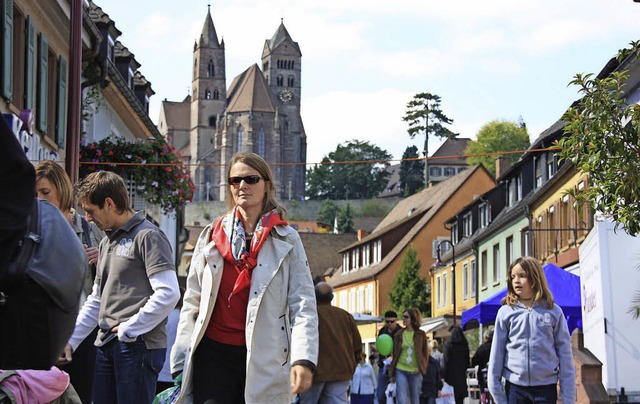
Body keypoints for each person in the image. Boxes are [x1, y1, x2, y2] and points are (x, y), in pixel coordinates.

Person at [170, 152, 318, 403]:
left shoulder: (286, 239)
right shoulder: (211, 236)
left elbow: (302, 304)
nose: (242, 186)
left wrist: (303, 358)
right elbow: (192, 300)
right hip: (212, 354)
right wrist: (180, 355)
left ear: (267, 185)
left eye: (251, 179)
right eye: (235, 180)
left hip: (265, 356)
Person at [58, 171, 181, 404]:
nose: (88, 218)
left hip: (137, 347)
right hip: (107, 345)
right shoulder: (106, 241)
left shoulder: (149, 236)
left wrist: (130, 328)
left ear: (109, 204)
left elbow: (169, 293)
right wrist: (71, 341)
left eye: (90, 210)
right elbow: (97, 299)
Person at [35, 160, 104, 404]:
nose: (39, 199)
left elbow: (108, 284)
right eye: (35, 194)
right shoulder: (32, 229)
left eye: (45, 192)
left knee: (81, 395)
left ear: (61, 191)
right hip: (43, 329)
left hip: (81, 330)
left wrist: (101, 258)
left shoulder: (89, 229)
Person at [488, 257, 576, 404]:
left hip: (546, 389)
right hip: (515, 389)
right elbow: (496, 354)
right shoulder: (506, 312)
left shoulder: (553, 312)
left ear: (535, 278)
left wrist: (568, 399)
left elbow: (565, 356)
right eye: (513, 276)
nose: (516, 280)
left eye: (522, 276)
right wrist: (498, 396)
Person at [299, 282, 361, 403]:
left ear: (314, 296)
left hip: (314, 372)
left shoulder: (310, 315)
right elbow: (357, 345)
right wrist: (352, 365)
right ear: (332, 297)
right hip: (341, 370)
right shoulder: (345, 316)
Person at [388, 308, 429, 404]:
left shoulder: (421, 334)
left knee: (415, 400)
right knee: (402, 400)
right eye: (403, 317)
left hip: (415, 371)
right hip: (401, 369)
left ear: (413, 319)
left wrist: (422, 368)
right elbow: (395, 353)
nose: (403, 319)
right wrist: (392, 371)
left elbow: (425, 353)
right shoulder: (399, 334)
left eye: (406, 317)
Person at [377, 310, 403, 404]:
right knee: (380, 395)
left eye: (391, 322)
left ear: (396, 321)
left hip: (396, 367)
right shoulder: (382, 331)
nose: (389, 324)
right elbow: (381, 345)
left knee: (396, 395)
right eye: (387, 322)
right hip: (383, 366)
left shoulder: (401, 332)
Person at [443, 326, 470, 404]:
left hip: (450, 377)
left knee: (451, 399)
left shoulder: (448, 345)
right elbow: (467, 363)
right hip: (461, 377)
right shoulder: (465, 345)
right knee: (460, 400)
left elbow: (446, 360)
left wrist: (443, 375)